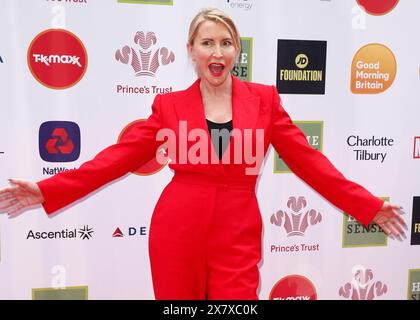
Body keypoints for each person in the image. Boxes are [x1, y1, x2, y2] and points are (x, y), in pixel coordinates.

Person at [0, 8, 407, 300]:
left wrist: (367, 206)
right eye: (207, 43)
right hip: (178, 227)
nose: (217, 52)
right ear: (191, 50)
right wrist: (48, 189)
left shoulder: (264, 100)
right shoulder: (169, 106)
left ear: (237, 51)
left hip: (238, 230)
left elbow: (309, 162)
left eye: (226, 43)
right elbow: (118, 157)